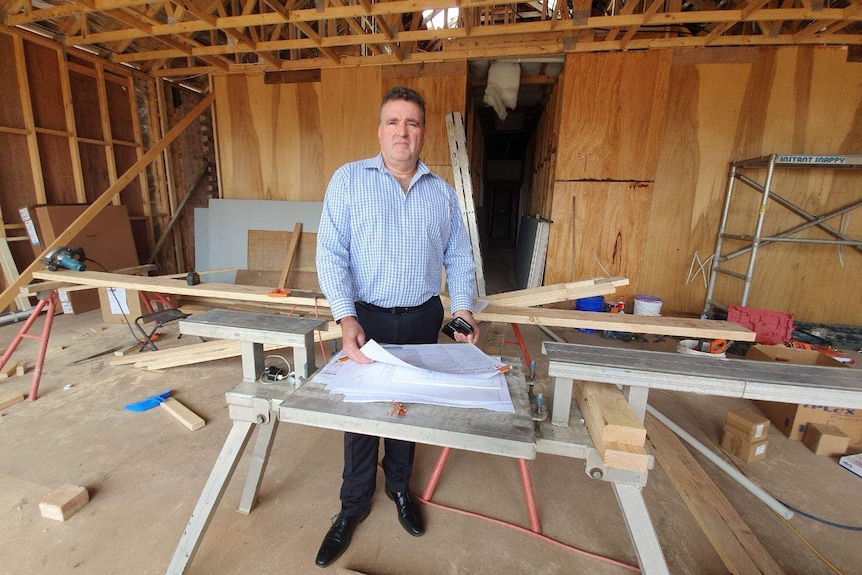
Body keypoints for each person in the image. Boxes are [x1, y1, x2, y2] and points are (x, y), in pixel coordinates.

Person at [314, 86, 480, 568]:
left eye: (411, 123)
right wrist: (346, 317)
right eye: (393, 122)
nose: (402, 131)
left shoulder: (443, 193)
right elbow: (331, 253)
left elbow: (459, 257)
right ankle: (351, 507)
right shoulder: (348, 181)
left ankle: (400, 490)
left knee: (407, 407)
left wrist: (463, 310)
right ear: (380, 130)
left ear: (422, 132)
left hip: (423, 316)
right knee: (362, 414)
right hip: (365, 318)